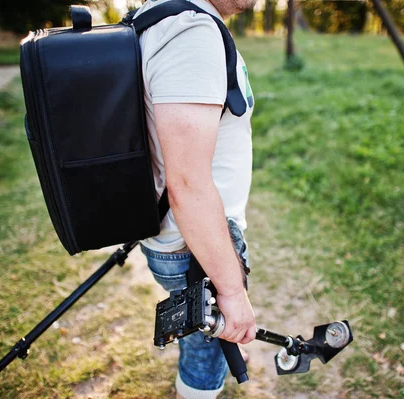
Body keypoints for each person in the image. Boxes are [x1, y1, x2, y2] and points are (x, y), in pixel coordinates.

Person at [133, 0, 257, 397]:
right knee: (205, 360)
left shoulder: (159, 14)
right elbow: (187, 185)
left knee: (201, 341)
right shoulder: (191, 33)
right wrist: (233, 293)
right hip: (196, 243)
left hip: (185, 235)